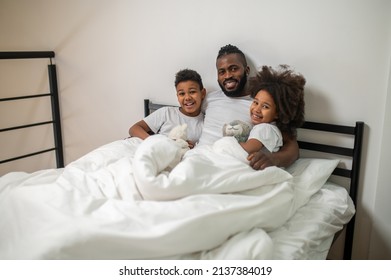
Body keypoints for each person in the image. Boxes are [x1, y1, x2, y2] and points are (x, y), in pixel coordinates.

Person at [197, 44, 300, 169]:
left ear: (246, 70)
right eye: (222, 72)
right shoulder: (209, 98)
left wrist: (274, 159)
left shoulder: (262, 104)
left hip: (228, 164)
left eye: (233, 69)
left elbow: (292, 147)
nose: (228, 75)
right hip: (198, 158)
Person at [129, 69, 206, 149]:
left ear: (203, 93)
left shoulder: (206, 123)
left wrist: (191, 147)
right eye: (182, 94)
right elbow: (134, 129)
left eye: (192, 92)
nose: (187, 98)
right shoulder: (167, 113)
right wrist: (154, 142)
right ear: (177, 96)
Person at [238, 65, 305, 155]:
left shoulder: (264, 128)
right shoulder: (272, 128)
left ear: (278, 113)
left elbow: (247, 149)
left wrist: (228, 142)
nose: (257, 109)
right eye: (256, 102)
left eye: (265, 106)